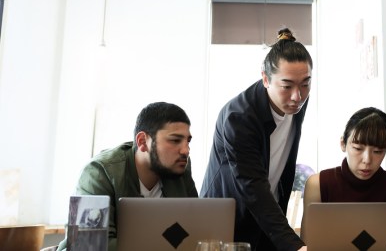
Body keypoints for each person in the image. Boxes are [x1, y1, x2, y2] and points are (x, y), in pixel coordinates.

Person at [200, 28, 312, 251]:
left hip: (266, 221)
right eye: (287, 86)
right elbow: (253, 188)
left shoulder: (296, 102)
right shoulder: (239, 118)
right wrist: (295, 246)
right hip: (227, 223)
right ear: (265, 78)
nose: (297, 96)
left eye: (306, 84)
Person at [57, 102, 198, 251]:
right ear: (143, 141)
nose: (186, 150)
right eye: (175, 140)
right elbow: (87, 245)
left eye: (187, 141)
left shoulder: (179, 169)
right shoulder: (98, 172)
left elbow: (193, 228)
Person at [300, 107, 386, 241]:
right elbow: (307, 245)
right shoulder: (318, 185)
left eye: (378, 151)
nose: (367, 160)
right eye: (358, 148)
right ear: (343, 144)